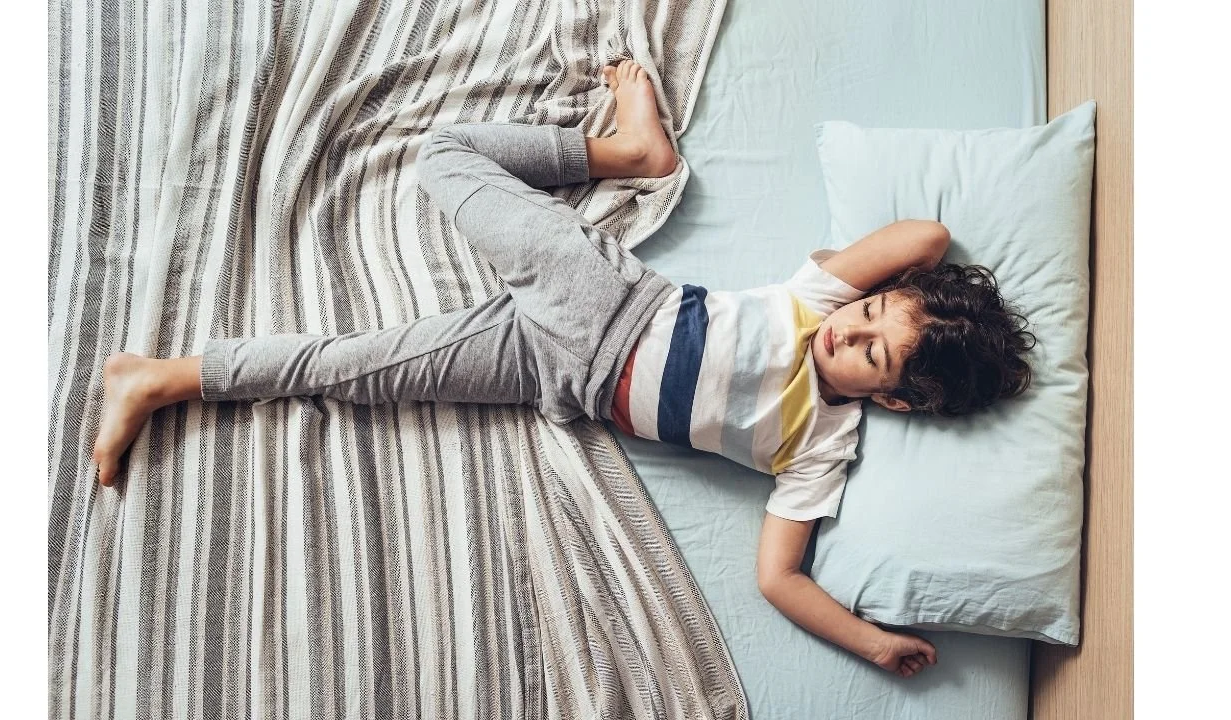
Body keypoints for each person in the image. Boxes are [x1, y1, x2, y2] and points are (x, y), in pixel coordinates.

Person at [92, 59, 1035, 679]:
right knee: (444, 155)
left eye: (873, 354)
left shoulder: (822, 448)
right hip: (599, 296)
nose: (851, 335)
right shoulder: (816, 301)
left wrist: (870, 642)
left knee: (356, 370)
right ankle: (629, 150)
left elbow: (778, 580)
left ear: (900, 401)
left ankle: (164, 375)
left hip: (552, 376)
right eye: (868, 313)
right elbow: (926, 234)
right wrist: (921, 298)